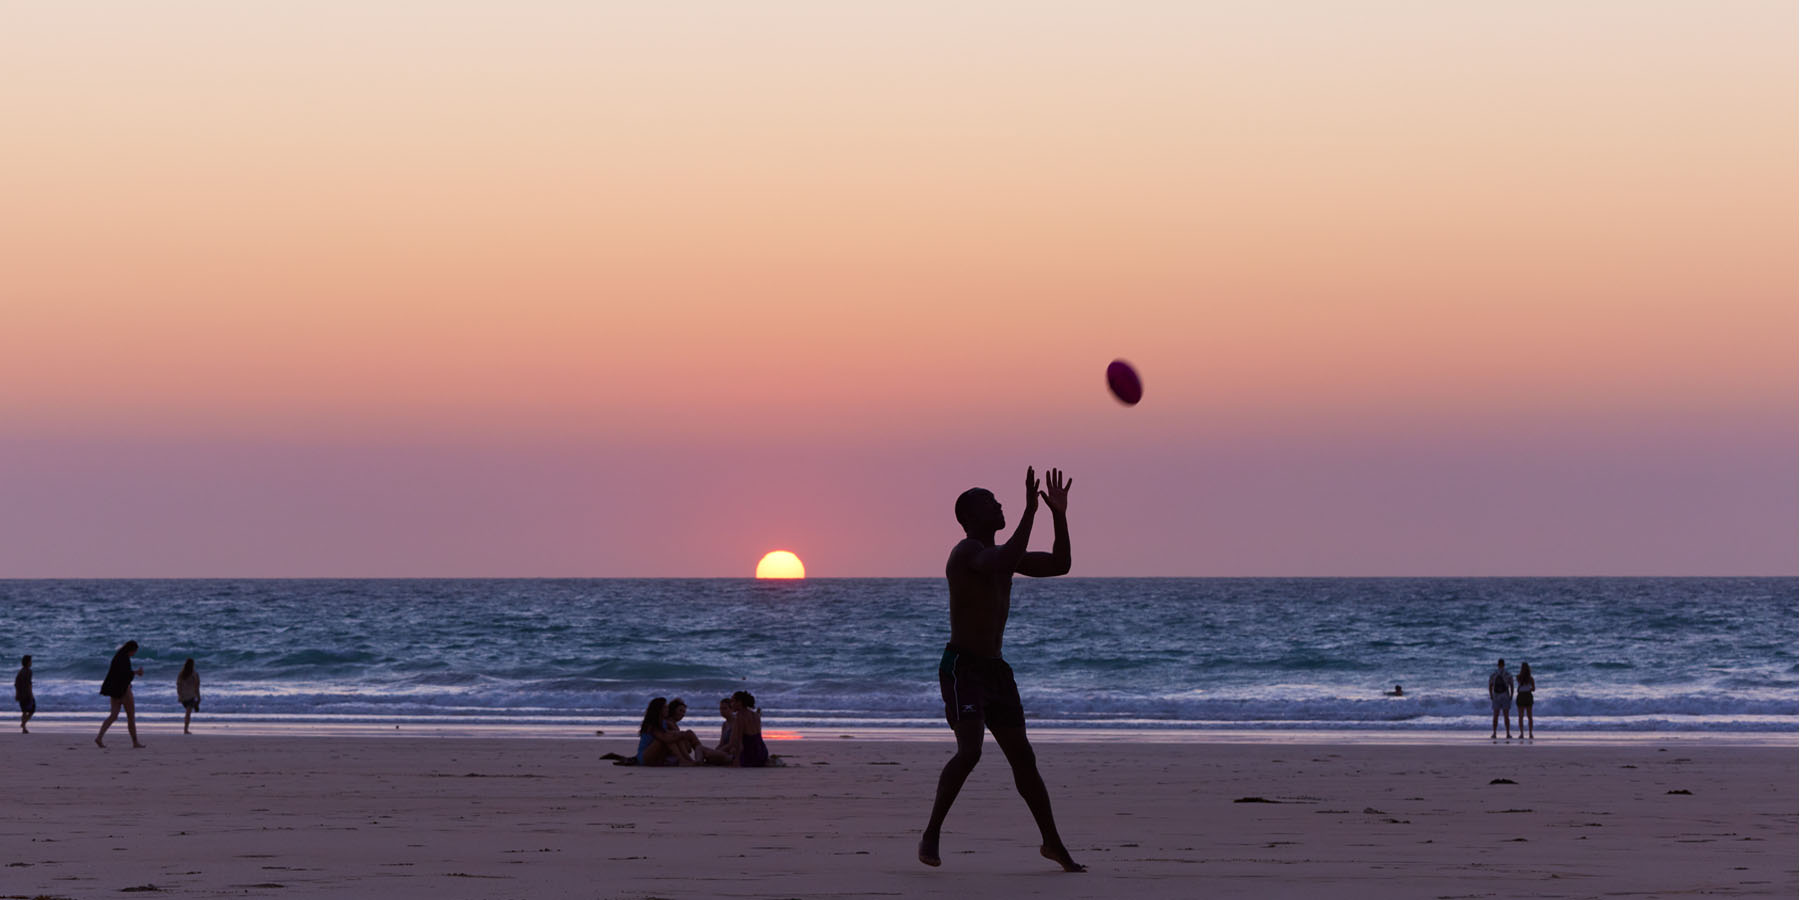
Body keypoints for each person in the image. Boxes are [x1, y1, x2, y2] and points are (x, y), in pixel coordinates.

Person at [919, 466, 1083, 873]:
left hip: (996, 671)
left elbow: (1060, 564)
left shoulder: (1002, 556)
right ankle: (932, 832)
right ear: (970, 517)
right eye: (989, 502)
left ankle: (1052, 843)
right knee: (970, 752)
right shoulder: (967, 553)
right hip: (963, 669)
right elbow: (1005, 557)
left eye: (998, 499)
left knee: (1023, 759)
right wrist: (1030, 511)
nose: (999, 504)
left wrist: (1057, 514)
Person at [96, 640, 146, 749]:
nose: (134, 654)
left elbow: (117, 675)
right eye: (134, 652)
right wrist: (137, 672)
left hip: (114, 691)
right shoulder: (124, 658)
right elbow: (125, 674)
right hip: (124, 692)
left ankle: (99, 737)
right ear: (131, 650)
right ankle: (135, 742)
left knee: (113, 715)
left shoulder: (118, 656)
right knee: (131, 717)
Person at [636, 697, 698, 766]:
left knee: (673, 736)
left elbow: (671, 735)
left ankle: (687, 760)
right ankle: (682, 760)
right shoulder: (651, 725)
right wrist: (682, 735)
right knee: (665, 739)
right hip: (645, 757)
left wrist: (682, 734)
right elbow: (665, 738)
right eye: (665, 708)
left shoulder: (663, 723)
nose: (668, 710)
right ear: (659, 710)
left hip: (656, 757)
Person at [725, 690, 768, 768]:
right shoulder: (755, 715)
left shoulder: (739, 716)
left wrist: (737, 759)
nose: (731, 704)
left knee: (717, 756)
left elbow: (738, 741)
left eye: (733, 701)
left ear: (739, 703)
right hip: (762, 753)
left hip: (750, 755)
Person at [1488, 658, 1514, 740]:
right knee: (1506, 716)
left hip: (1496, 696)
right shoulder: (1508, 674)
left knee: (1495, 715)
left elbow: (1490, 685)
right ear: (1504, 664)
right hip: (1505, 695)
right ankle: (1508, 733)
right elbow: (1511, 685)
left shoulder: (1494, 674)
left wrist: (1491, 695)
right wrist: (1511, 695)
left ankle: (1494, 733)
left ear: (1498, 664)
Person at [177, 659, 201, 734]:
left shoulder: (181, 674)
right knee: (188, 713)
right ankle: (185, 729)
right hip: (191, 696)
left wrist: (179, 695)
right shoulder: (195, 674)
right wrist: (199, 697)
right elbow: (197, 687)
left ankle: (185, 729)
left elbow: (178, 685)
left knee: (188, 712)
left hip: (183, 696)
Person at [1515, 662, 1535, 739]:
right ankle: (1530, 733)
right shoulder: (1531, 678)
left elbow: (1519, 682)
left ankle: (1522, 733)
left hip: (1521, 696)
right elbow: (1533, 689)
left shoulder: (1518, 677)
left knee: (1521, 716)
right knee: (1529, 716)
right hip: (1528, 695)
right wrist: (1529, 688)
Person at [15, 655, 33, 734]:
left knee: (25, 711)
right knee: (31, 710)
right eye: (30, 661)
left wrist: (17, 694)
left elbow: (16, 684)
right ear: (28, 662)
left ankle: (23, 726)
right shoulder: (28, 671)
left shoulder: (20, 671)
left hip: (21, 694)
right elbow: (29, 684)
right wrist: (31, 694)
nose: (31, 663)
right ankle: (23, 725)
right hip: (26, 694)